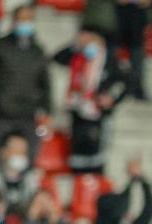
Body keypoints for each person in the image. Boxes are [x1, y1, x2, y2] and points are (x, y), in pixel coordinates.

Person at [0, 3, 52, 158]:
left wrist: (47, 110)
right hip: (0, 113)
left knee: (28, 158)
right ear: (13, 20)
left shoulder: (37, 50)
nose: (25, 23)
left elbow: (45, 82)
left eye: (29, 19)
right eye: (21, 19)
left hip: (28, 114)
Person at [54, 29, 129, 173]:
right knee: (77, 152)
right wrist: (74, 45)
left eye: (92, 42)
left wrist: (112, 98)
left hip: (98, 113)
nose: (89, 46)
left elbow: (128, 82)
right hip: (77, 110)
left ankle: (96, 179)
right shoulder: (77, 57)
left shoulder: (110, 60)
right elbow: (57, 58)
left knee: (97, 151)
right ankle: (78, 181)